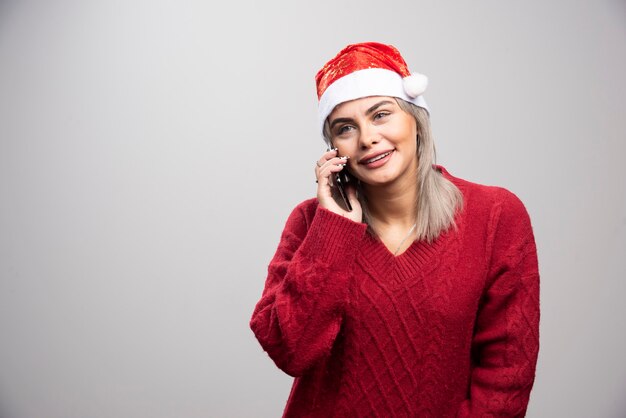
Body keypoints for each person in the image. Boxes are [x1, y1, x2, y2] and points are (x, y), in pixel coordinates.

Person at [250, 42, 539, 417]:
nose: (367, 138)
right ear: (334, 149)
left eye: (381, 115)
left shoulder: (496, 216)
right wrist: (334, 229)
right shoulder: (311, 223)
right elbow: (291, 349)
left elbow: (507, 375)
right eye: (345, 128)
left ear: (415, 119)